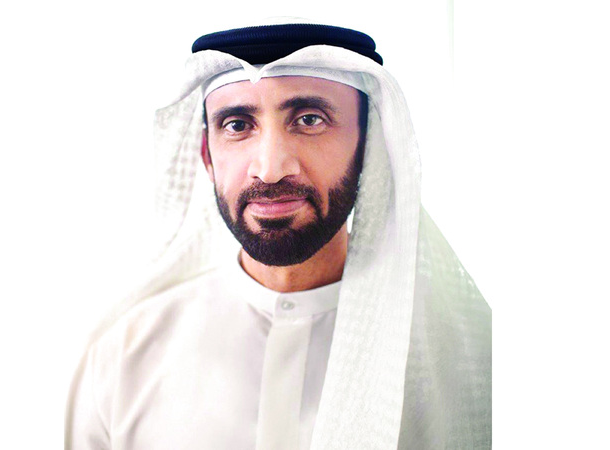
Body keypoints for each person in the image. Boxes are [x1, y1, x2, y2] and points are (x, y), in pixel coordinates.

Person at [65, 20, 491, 450]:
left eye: (309, 119)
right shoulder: (121, 361)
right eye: (237, 125)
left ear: (368, 147)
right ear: (207, 156)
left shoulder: (469, 362)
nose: (270, 169)